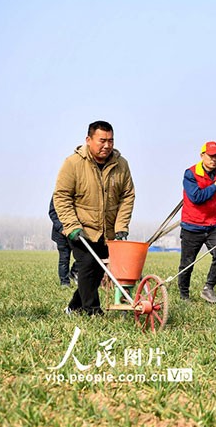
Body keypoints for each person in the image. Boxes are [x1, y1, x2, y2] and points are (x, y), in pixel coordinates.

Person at [53, 120, 135, 316]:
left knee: (97, 272)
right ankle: (92, 311)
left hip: (107, 230)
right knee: (88, 265)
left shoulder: (121, 164)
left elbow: (128, 195)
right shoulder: (73, 163)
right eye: (102, 140)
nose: (107, 145)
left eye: (111, 140)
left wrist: (121, 225)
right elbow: (61, 195)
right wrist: (72, 225)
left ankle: (74, 307)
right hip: (82, 228)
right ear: (88, 140)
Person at [177, 141, 216, 304]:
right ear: (202, 156)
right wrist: (214, 187)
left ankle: (208, 288)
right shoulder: (190, 174)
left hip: (212, 225)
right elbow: (196, 197)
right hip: (192, 225)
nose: (214, 159)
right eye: (210, 155)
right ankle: (184, 295)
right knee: (187, 263)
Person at [48, 198, 78, 287]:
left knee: (82, 256)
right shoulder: (58, 194)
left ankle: (73, 271)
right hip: (61, 234)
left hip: (75, 231)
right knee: (64, 259)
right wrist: (61, 228)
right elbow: (52, 213)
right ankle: (65, 282)